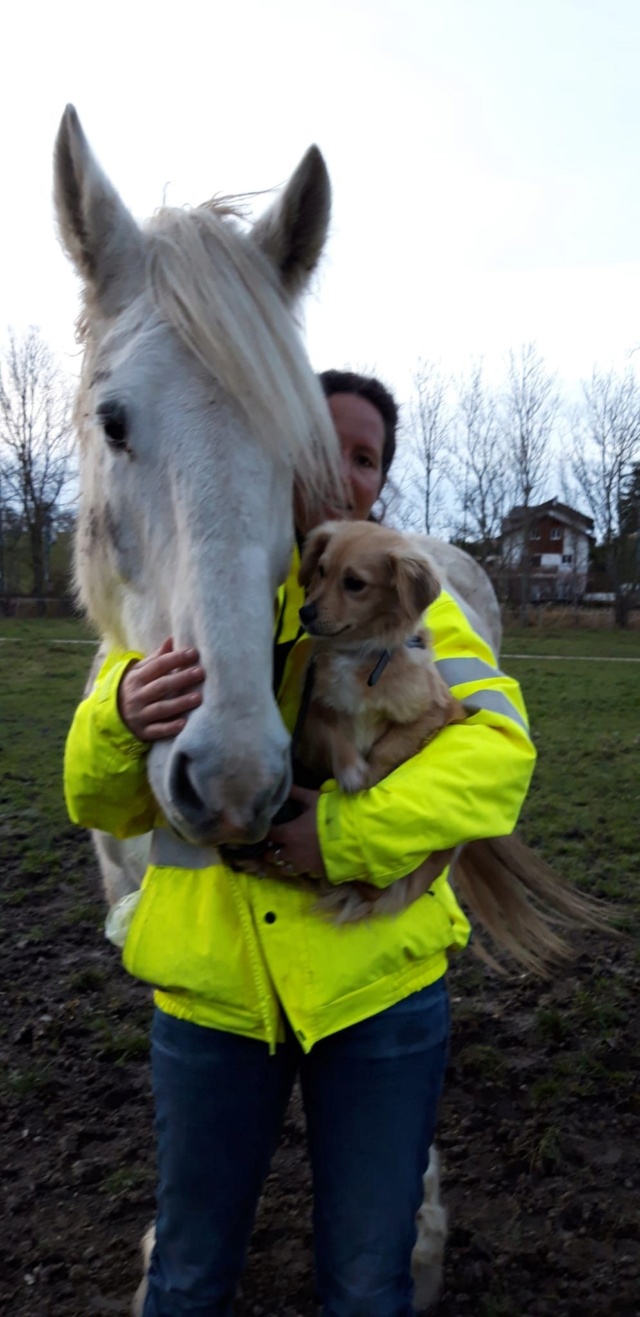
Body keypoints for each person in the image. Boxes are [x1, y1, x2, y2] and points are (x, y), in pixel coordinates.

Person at [64, 369, 536, 1317]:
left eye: (363, 459)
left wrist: (345, 833)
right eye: (320, 447)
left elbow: (499, 754)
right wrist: (117, 712)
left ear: (378, 484)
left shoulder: (414, 611)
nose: (339, 471)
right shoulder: (189, 590)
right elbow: (98, 798)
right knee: (188, 1277)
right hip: (217, 989)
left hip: (376, 986)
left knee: (367, 1284)